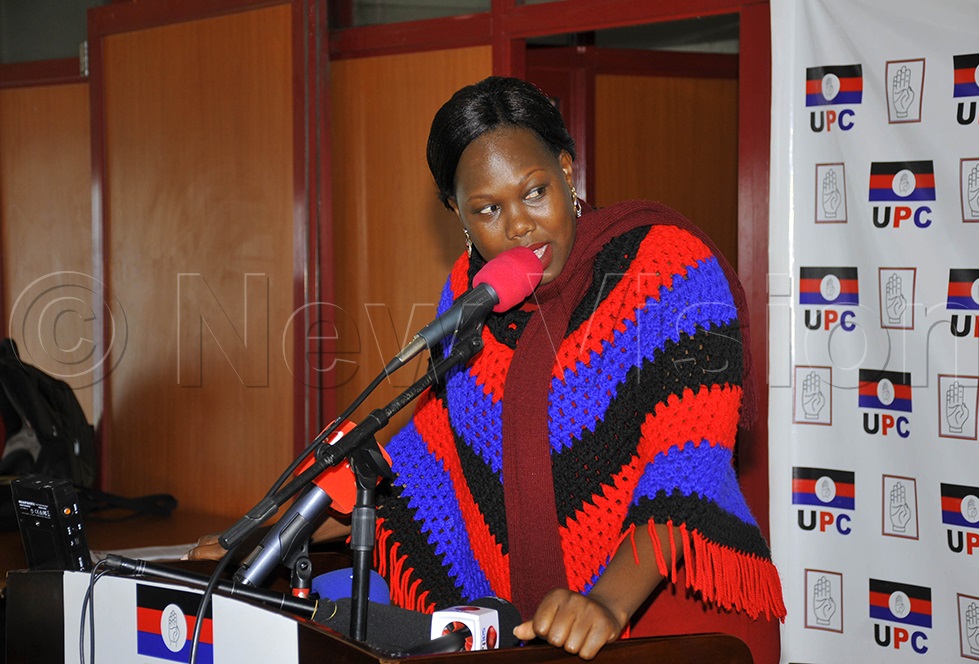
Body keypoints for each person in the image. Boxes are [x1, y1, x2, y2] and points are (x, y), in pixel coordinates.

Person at [190, 76, 786, 661]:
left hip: (677, 623)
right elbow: (433, 451)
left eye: (535, 192)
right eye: (487, 209)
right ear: (458, 213)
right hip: (537, 630)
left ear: (567, 172)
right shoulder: (470, 293)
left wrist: (604, 603)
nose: (520, 225)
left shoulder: (668, 267)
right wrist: (267, 539)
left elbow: (689, 461)